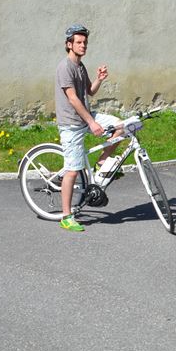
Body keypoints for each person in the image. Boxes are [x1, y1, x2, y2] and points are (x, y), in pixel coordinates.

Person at [55, 23, 124, 232]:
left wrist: (99, 80)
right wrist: (91, 123)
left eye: (85, 42)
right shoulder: (64, 67)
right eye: (79, 42)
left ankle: (101, 163)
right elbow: (74, 99)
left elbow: (89, 93)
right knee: (73, 171)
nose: (83, 45)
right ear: (69, 44)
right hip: (72, 124)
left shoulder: (80, 66)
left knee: (120, 127)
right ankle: (66, 216)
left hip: (85, 117)